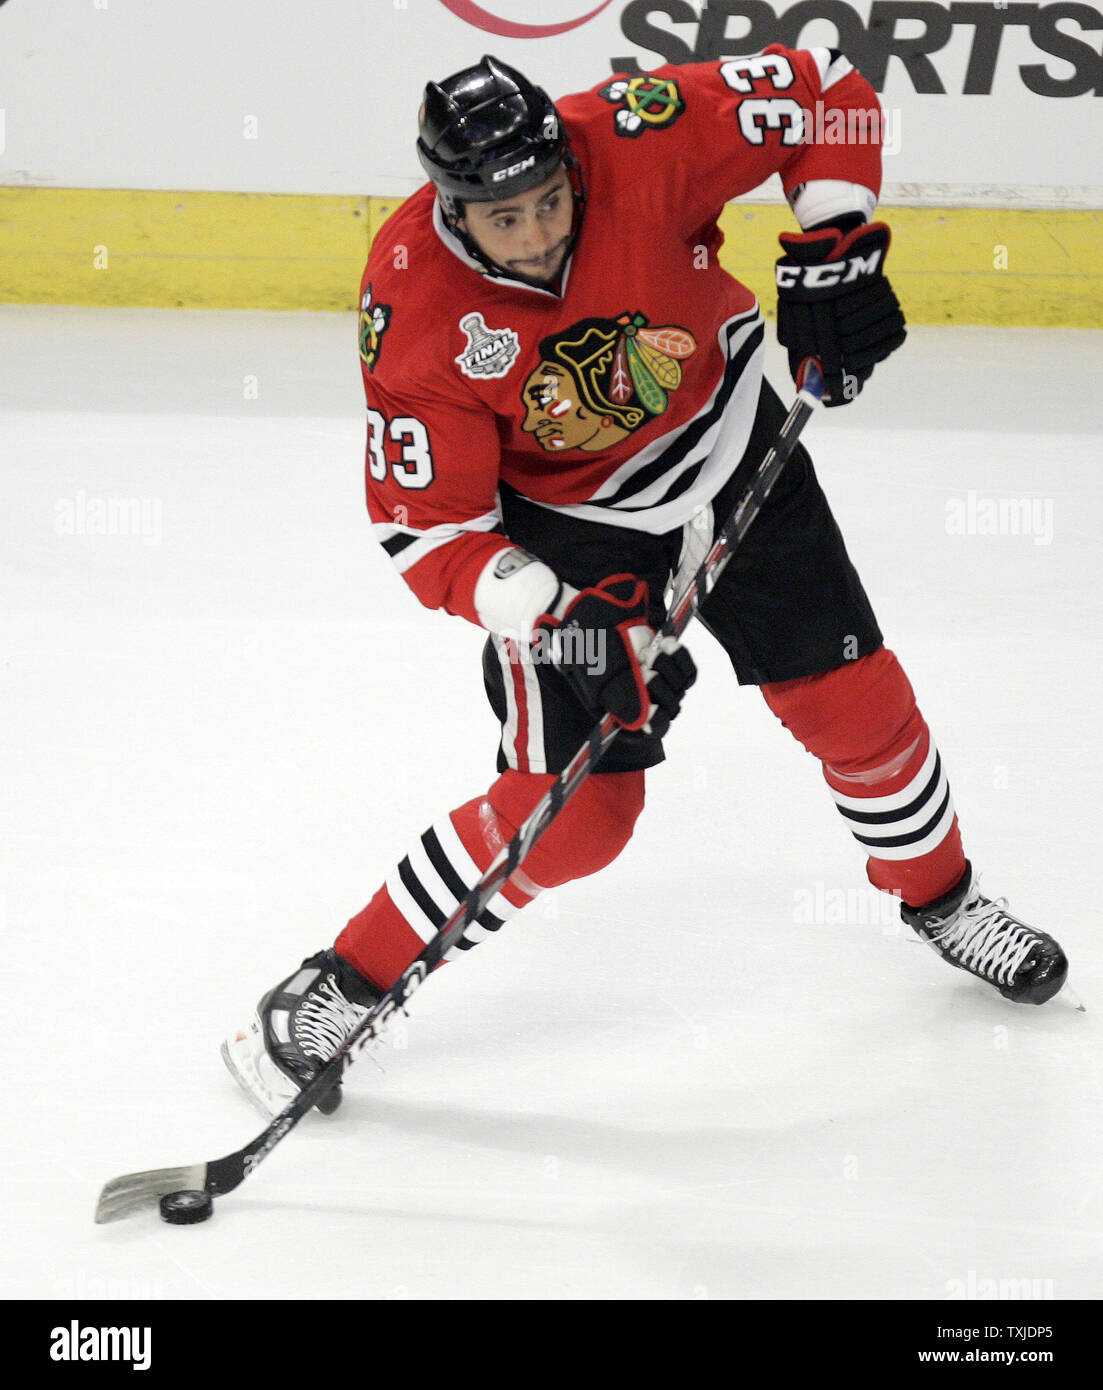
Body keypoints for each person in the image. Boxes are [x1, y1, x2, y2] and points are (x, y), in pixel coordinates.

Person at [223, 49, 1069, 1118]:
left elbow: (824, 90)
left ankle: (943, 900)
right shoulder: (412, 306)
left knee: (854, 706)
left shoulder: (634, 134)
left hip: (733, 452)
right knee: (579, 815)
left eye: (546, 201)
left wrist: (835, 239)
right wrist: (558, 616)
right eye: (504, 220)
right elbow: (426, 528)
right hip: (566, 543)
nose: (536, 234)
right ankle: (342, 982)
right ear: (451, 209)